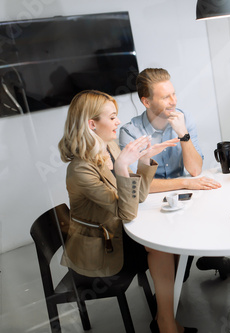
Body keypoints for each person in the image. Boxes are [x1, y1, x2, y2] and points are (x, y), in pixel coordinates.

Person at [58, 90, 194, 333]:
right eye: (112, 117)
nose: (118, 122)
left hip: (116, 232)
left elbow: (137, 196)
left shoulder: (108, 147)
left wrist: (144, 161)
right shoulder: (80, 170)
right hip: (102, 248)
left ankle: (164, 318)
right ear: (92, 124)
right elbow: (128, 212)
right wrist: (122, 166)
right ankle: (166, 323)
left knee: (171, 242)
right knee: (162, 248)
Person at [119, 68, 230, 279]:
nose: (173, 101)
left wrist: (183, 134)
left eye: (174, 94)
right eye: (165, 97)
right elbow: (138, 187)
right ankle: (181, 270)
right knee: (180, 270)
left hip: (184, 198)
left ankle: (210, 255)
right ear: (146, 102)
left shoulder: (183, 118)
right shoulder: (130, 132)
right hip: (150, 203)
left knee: (218, 206)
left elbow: (195, 169)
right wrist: (185, 184)